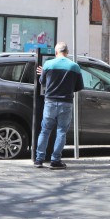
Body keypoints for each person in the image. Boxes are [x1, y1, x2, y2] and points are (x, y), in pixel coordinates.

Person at [34, 42, 84, 170]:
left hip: (50, 102)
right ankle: (55, 161)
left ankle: (39, 160)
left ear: (56, 52)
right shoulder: (74, 66)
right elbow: (79, 87)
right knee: (61, 132)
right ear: (67, 52)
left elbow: (42, 82)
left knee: (45, 130)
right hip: (66, 103)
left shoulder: (48, 64)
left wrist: (43, 73)